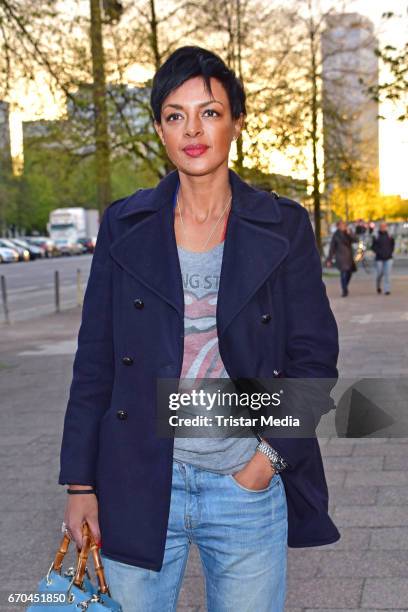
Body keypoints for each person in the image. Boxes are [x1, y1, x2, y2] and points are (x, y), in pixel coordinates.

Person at [59, 46, 340, 612]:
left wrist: (264, 464)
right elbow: (95, 361)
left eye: (209, 112)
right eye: (175, 114)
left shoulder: (281, 226)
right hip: (136, 482)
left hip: (243, 486)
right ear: (161, 129)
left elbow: (314, 359)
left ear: (236, 121)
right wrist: (80, 484)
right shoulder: (125, 224)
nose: (193, 129)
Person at [326, 220, 358, 297]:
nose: (343, 226)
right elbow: (332, 247)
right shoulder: (336, 235)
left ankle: (345, 286)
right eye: (341, 225)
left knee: (349, 273)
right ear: (338, 226)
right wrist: (329, 259)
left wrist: (349, 233)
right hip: (340, 257)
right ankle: (344, 290)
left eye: (344, 225)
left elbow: (356, 240)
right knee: (343, 273)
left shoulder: (348, 233)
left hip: (349, 257)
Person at [371, 221, 395, 295]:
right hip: (379, 258)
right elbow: (373, 246)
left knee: (387, 274)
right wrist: (378, 251)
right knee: (379, 273)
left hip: (388, 257)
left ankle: (387, 289)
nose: (383, 228)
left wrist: (390, 252)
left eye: (384, 226)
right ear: (379, 227)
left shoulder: (389, 235)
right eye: (382, 226)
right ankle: (378, 286)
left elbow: (392, 244)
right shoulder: (376, 235)